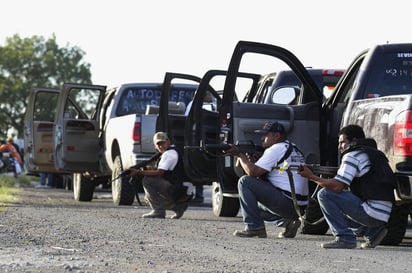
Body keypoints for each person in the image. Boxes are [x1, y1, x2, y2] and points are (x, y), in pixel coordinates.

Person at [297, 124, 393, 249]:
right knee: (338, 203)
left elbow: (337, 187)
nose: (339, 147)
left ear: (353, 141)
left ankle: (344, 238)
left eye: (342, 142)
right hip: (383, 214)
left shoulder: (352, 155)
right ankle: (372, 232)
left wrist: (311, 177)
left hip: (371, 212)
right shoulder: (374, 154)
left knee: (325, 195)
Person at [225, 121, 308, 238]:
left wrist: (240, 155)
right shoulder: (292, 147)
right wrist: (255, 161)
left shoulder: (275, 149)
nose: (262, 138)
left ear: (276, 136)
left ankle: (254, 227)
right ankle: (288, 223)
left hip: (288, 202)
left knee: (245, 182)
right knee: (251, 205)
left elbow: (252, 172)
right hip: (299, 205)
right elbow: (278, 172)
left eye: (265, 135)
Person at [129, 132, 190, 219]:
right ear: (155, 146)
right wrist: (149, 170)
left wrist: (139, 172)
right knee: (147, 198)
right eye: (159, 144)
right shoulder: (173, 151)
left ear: (168, 142)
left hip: (176, 189)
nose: (161, 146)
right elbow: (166, 172)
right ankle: (178, 208)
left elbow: (160, 173)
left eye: (163, 143)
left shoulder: (169, 154)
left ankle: (158, 211)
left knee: (148, 180)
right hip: (181, 188)